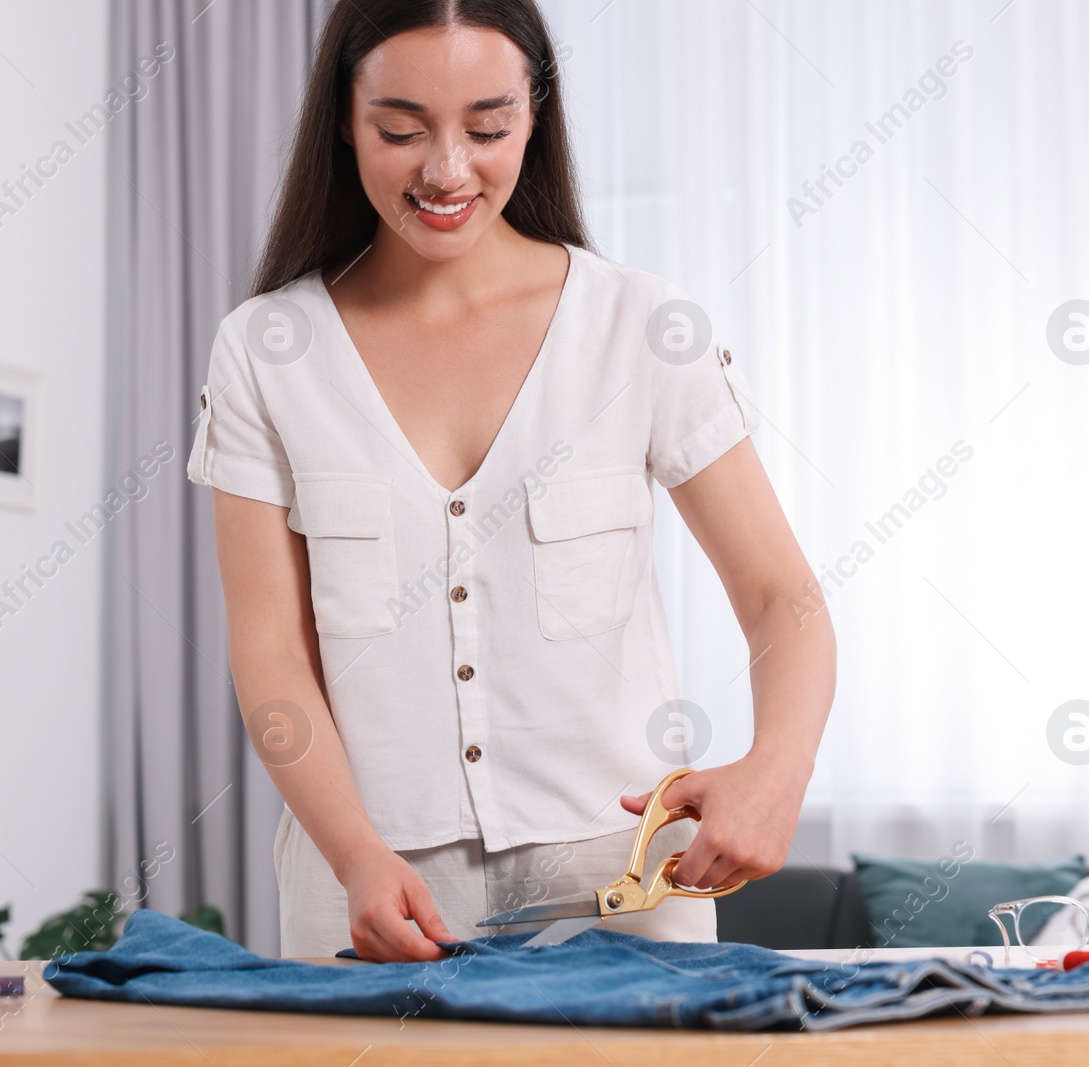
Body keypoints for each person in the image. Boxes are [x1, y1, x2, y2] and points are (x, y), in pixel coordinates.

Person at [187, 0, 836, 963]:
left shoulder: (641, 326)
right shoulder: (265, 350)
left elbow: (783, 596)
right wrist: (355, 855)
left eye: (487, 128)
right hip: (367, 891)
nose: (448, 170)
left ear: (535, 116)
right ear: (343, 120)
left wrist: (777, 770)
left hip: (622, 885)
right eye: (401, 130)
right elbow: (271, 653)